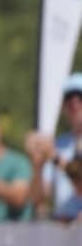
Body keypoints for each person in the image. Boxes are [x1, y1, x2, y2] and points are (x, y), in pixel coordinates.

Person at [26, 72, 82, 218]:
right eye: (69, 100)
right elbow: (38, 200)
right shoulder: (59, 143)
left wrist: (54, 156)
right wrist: (37, 167)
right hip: (64, 224)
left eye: (80, 98)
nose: (75, 104)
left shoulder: (54, 150)